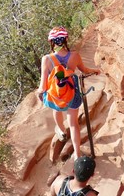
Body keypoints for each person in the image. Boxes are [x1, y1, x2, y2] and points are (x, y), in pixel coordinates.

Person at [37, 26, 100, 160]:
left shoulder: (47, 59)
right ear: (65, 39)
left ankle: (60, 129)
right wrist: (95, 70)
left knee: (57, 108)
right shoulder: (75, 56)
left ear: (51, 42)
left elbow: (43, 86)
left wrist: (40, 94)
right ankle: (77, 155)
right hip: (72, 93)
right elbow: (84, 70)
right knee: (74, 124)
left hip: (56, 96)